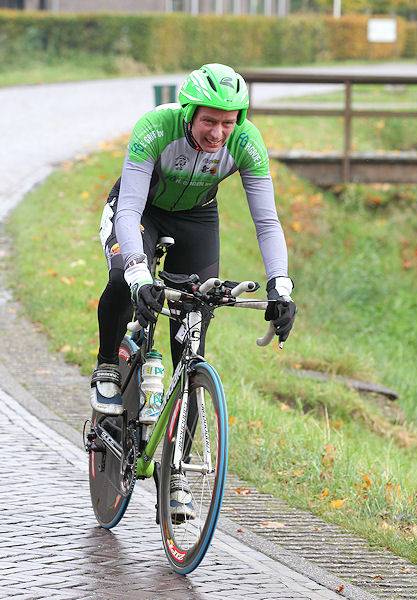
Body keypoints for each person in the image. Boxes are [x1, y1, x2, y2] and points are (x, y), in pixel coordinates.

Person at [90, 64, 296, 516]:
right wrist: (141, 274)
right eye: (209, 121)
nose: (218, 132)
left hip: (197, 219)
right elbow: (128, 208)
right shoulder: (155, 128)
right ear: (189, 113)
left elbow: (267, 221)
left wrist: (280, 284)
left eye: (228, 122)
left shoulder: (246, 142)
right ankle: (108, 365)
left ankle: (176, 469)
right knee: (124, 276)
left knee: (194, 342)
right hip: (139, 210)